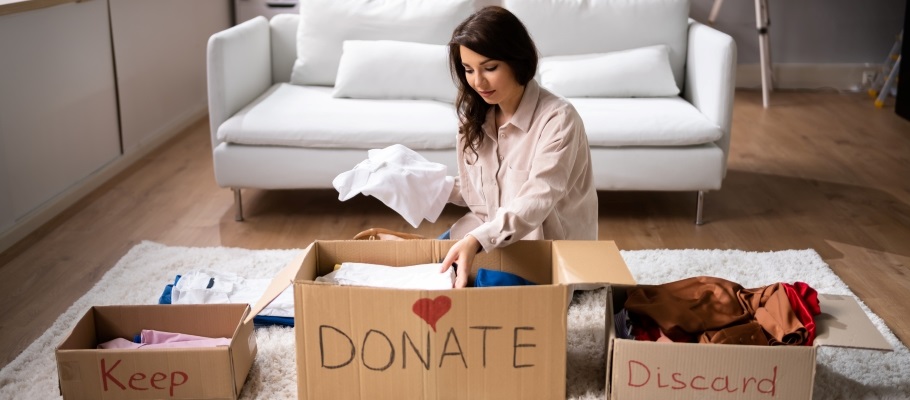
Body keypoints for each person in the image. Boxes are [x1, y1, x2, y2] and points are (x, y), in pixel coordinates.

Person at [440, 6, 598, 288]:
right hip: (494, 233)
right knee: (431, 265)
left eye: (490, 68)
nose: (478, 82)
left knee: (475, 288)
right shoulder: (474, 116)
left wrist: (477, 240)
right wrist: (423, 184)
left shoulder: (559, 119)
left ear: (518, 61)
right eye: (468, 70)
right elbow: (480, 193)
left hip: (544, 250)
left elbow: (537, 200)